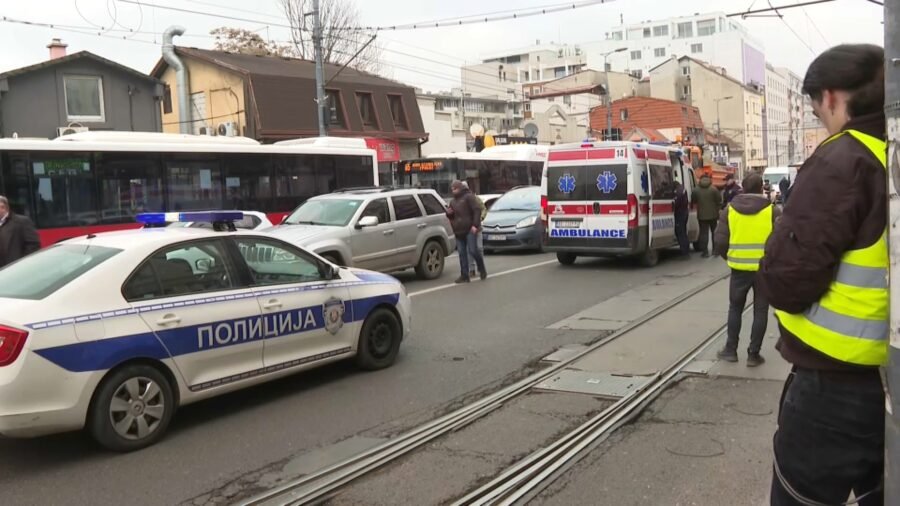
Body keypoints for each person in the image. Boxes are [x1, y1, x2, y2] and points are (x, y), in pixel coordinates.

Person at [757, 44, 887, 505]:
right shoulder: (888, 154)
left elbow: (787, 282)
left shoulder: (841, 161)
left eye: (817, 109)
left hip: (836, 389)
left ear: (831, 98)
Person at [713, 173, 780, 366]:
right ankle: (753, 354)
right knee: (761, 311)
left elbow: (719, 241)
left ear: (743, 187)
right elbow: (781, 240)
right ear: (761, 189)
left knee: (735, 308)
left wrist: (731, 256)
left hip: (739, 269)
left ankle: (730, 350)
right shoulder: (772, 211)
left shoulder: (730, 210)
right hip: (764, 270)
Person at [446, 180, 487, 283]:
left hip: (470, 228)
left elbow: (477, 210)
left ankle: (481, 269)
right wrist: (449, 213)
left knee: (473, 250)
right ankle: (464, 275)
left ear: (460, 188)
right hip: (459, 231)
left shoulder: (469, 197)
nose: (453, 191)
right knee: (461, 253)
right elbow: (452, 216)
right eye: (452, 189)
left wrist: (475, 225)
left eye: (455, 188)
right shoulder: (452, 202)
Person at [0, 196, 40, 268]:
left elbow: (33, 245)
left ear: (3, 207)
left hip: (17, 268)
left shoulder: (21, 221)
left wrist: (22, 263)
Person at [691, 174, 722, 257]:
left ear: (700, 179)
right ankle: (715, 251)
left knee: (703, 233)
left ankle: (705, 252)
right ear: (709, 179)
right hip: (713, 215)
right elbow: (719, 200)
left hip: (701, 215)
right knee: (714, 232)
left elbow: (693, 200)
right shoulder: (714, 189)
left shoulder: (696, 190)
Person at [462, 182, 487, 278]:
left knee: (479, 249)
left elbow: (483, 209)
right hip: (468, 229)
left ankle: (480, 268)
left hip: (478, 228)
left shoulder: (475, 198)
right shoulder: (461, 200)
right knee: (470, 250)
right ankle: (471, 269)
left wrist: (481, 218)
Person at [673, 181, 690, 260]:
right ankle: (686, 250)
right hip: (684, 212)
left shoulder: (678, 191)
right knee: (683, 232)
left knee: (680, 233)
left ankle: (685, 253)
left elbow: (676, 203)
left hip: (680, 214)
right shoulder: (682, 189)